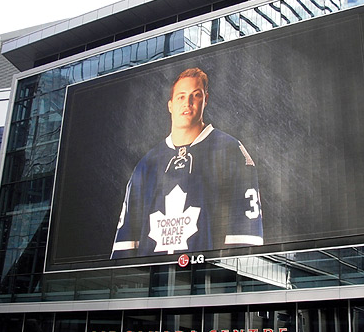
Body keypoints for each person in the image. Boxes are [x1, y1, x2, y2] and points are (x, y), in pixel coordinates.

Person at [111, 67, 263, 259]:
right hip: (150, 281)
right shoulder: (147, 164)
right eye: (181, 97)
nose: (188, 103)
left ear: (206, 99)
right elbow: (125, 244)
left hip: (206, 280)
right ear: (170, 105)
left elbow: (246, 239)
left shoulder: (231, 151)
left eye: (195, 95)